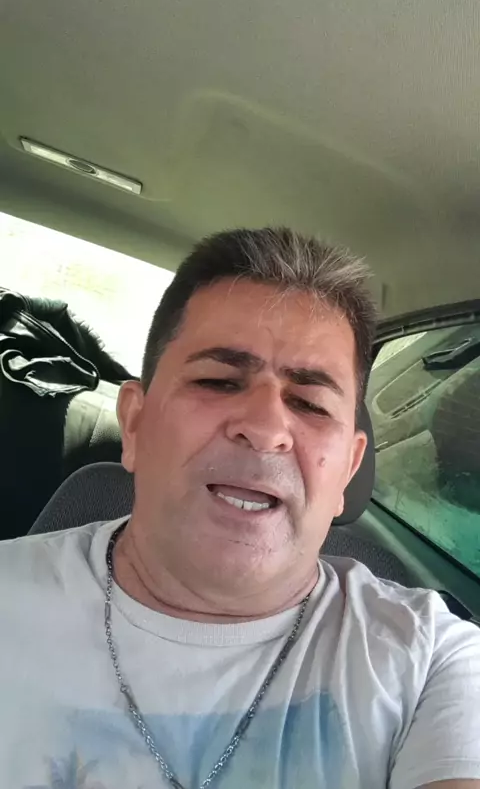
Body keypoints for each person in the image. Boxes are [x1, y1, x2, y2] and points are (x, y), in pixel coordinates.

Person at [0, 227, 479, 789]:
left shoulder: (433, 662)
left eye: (310, 403)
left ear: (348, 472)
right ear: (134, 424)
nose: (266, 428)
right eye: (218, 380)